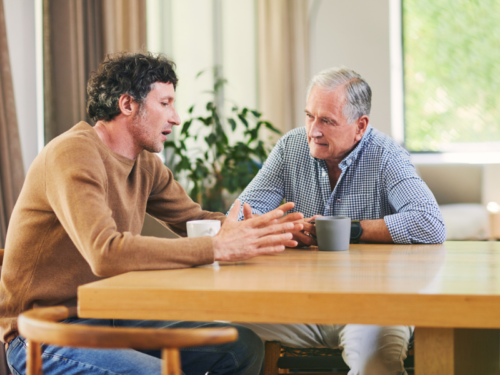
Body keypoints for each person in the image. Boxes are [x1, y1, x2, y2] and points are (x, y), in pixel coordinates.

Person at [0, 52, 304, 375]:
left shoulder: (145, 165)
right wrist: (216, 247)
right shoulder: (73, 154)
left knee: (241, 348)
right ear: (128, 104)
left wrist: (258, 230)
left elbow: (195, 220)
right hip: (42, 333)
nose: (175, 118)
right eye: (165, 104)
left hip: (108, 316)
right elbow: (105, 252)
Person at [234, 67, 446, 375]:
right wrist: (281, 228)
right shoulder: (290, 147)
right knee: (218, 334)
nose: (313, 130)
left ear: (360, 126)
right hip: (300, 304)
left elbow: (430, 223)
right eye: (309, 116)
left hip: (374, 306)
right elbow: (240, 214)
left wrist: (348, 230)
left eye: (327, 121)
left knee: (377, 365)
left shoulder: (386, 155)